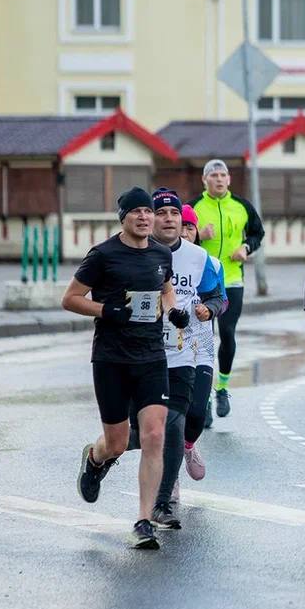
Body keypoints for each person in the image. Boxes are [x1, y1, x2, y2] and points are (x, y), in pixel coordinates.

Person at [63, 187, 186, 550]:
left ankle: (143, 521)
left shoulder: (162, 253)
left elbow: (166, 289)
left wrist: (173, 311)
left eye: (148, 211)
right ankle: (95, 458)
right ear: (124, 218)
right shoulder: (102, 255)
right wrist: (106, 310)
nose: (145, 217)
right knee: (117, 442)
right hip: (111, 359)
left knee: (154, 435)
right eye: (137, 212)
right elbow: (70, 299)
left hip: (152, 357)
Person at [126, 189, 226, 531]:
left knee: (186, 417)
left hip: (193, 347)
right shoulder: (136, 253)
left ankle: (165, 493)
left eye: (176, 216)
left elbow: (219, 297)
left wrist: (208, 308)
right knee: (138, 431)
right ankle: (106, 455)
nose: (170, 220)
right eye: (162, 213)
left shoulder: (202, 259)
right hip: (143, 351)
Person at [190, 159, 265, 419]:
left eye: (223, 175)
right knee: (203, 339)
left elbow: (257, 233)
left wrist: (246, 247)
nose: (219, 179)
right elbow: (179, 235)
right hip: (202, 282)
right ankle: (205, 397)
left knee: (228, 333)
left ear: (229, 180)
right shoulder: (194, 207)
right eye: (214, 175)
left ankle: (222, 388)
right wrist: (199, 235)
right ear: (205, 180)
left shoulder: (242, 206)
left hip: (232, 280)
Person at [178, 205, 225, 487]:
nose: (185, 232)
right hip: (167, 348)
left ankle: (188, 446)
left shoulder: (210, 263)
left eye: (190, 227)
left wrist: (209, 309)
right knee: (170, 417)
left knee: (196, 413)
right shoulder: (160, 260)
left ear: (196, 232)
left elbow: (222, 299)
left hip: (201, 346)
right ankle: (168, 480)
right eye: (181, 226)